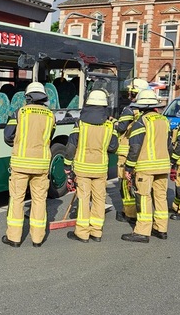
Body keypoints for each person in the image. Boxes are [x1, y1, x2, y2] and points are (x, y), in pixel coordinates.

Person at [2, 82, 56, 248]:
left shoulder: (20, 112)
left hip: (20, 164)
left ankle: (14, 238)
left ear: (28, 97)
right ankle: (37, 238)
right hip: (41, 165)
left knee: (17, 199)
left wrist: (19, 143)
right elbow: (50, 136)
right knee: (39, 200)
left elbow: (8, 136)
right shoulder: (51, 115)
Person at [64, 89, 118, 243]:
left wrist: (67, 165)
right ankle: (96, 232)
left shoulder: (80, 124)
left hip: (82, 168)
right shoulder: (109, 126)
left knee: (83, 199)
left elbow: (71, 147)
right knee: (99, 199)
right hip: (100, 168)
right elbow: (113, 147)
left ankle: (82, 233)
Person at [121, 89, 171, 243]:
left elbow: (135, 147)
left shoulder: (141, 122)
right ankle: (161, 229)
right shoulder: (164, 120)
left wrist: (128, 168)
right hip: (163, 166)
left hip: (146, 167)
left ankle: (142, 231)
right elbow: (169, 144)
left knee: (143, 197)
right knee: (160, 197)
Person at [114, 78, 150, 223]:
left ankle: (129, 213)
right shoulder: (146, 112)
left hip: (126, 152)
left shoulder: (129, 110)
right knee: (137, 184)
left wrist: (113, 122)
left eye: (131, 92)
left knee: (125, 184)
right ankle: (138, 211)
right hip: (141, 152)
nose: (128, 94)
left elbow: (121, 127)